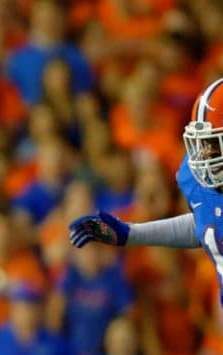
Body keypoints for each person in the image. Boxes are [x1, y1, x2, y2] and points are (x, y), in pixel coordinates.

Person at [68, 78, 223, 303]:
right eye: (203, 143)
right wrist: (132, 234)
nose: (205, 154)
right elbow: (207, 224)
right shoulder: (195, 174)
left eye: (215, 144)